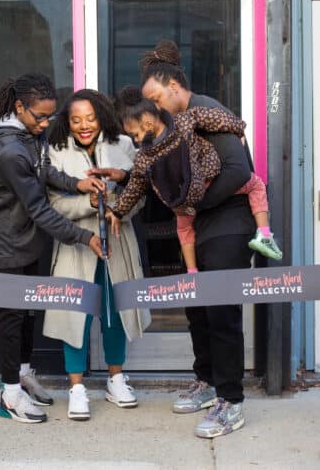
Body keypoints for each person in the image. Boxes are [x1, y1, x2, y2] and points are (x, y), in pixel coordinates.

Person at [136, 39, 262, 438]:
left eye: (156, 97)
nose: (154, 107)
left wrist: (195, 204)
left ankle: (232, 402)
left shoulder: (207, 110)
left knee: (222, 314)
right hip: (203, 225)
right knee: (198, 308)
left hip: (229, 223)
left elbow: (239, 170)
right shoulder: (175, 122)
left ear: (174, 86)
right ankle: (207, 383)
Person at [0, 74, 105, 424]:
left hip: (28, 239)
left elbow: (45, 171)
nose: (46, 123)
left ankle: (22, 373)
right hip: (5, 243)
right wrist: (85, 237)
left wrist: (76, 183)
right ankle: (9, 394)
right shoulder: (7, 151)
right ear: (20, 108)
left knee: (28, 311)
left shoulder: (29, 136)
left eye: (50, 116)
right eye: (41, 117)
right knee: (11, 319)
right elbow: (40, 209)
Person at [42, 89, 151, 421]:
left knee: (115, 310)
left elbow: (141, 194)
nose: (84, 126)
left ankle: (116, 379)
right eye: (76, 120)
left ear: (102, 116)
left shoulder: (123, 144)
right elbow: (53, 204)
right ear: (67, 122)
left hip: (118, 242)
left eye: (90, 118)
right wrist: (87, 203)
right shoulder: (56, 151)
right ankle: (76, 387)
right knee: (74, 313)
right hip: (76, 244)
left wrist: (115, 209)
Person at [106, 86, 281, 275]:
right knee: (256, 185)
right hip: (208, 181)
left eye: (135, 134)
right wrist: (237, 129)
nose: (137, 141)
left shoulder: (144, 158)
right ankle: (264, 234)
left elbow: (135, 187)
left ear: (147, 122)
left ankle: (191, 271)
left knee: (184, 230)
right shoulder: (184, 121)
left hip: (183, 200)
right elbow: (214, 118)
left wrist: (117, 211)